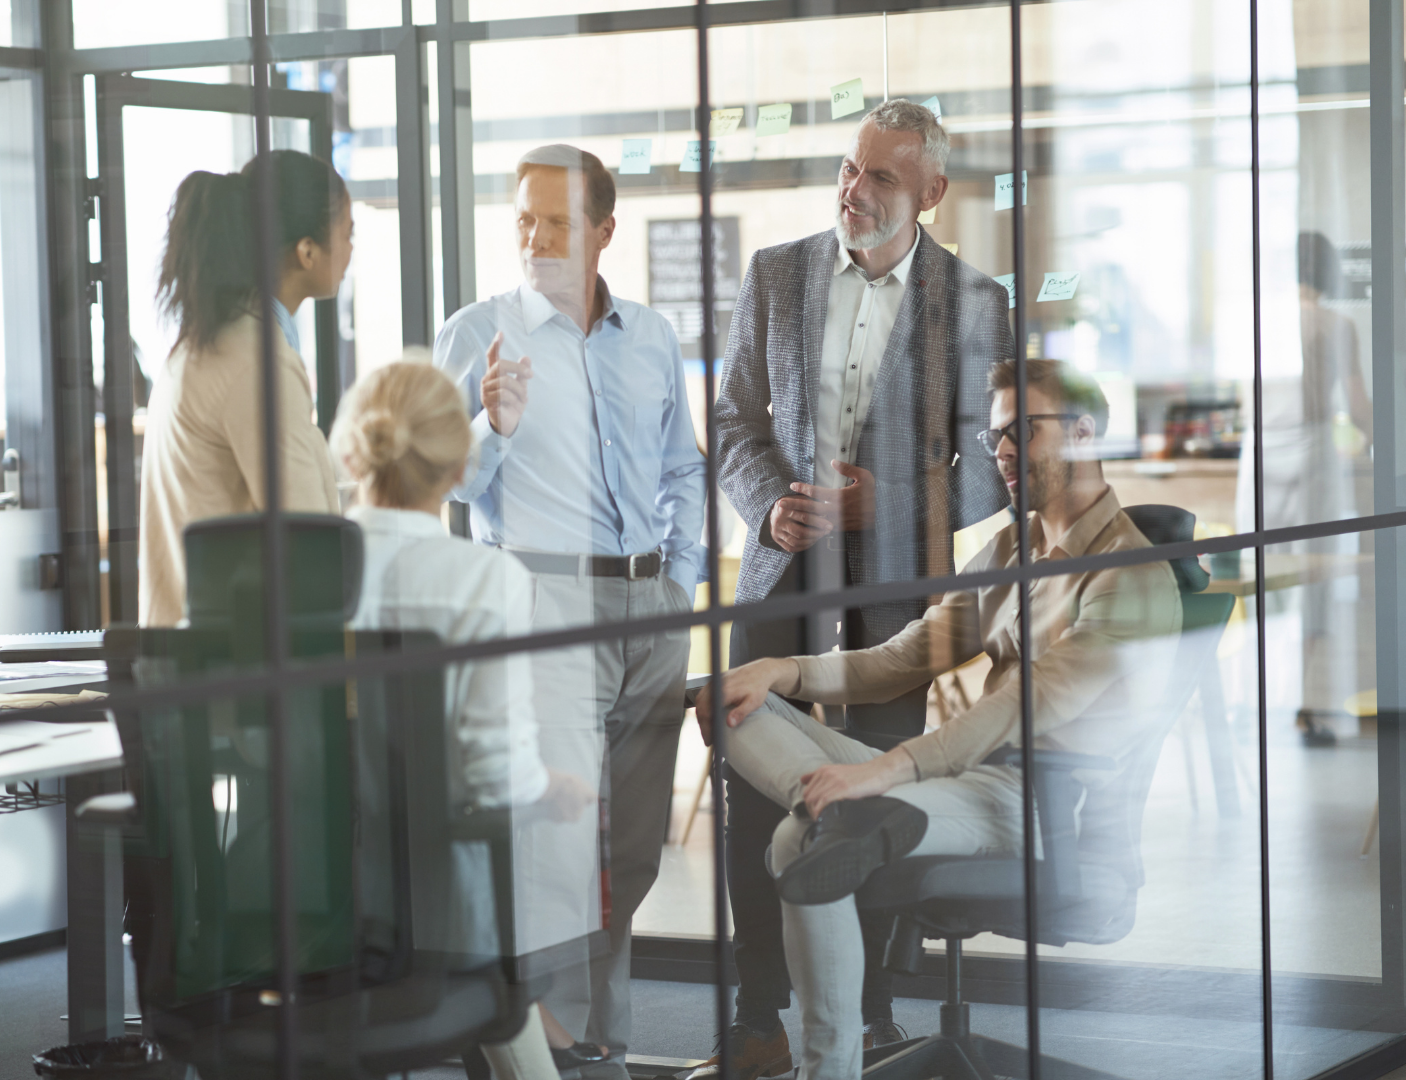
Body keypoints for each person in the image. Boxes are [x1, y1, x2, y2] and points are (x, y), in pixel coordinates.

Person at [701, 359, 1182, 1080]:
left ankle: (825, 1067)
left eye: (1024, 430)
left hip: (1041, 801)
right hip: (962, 776)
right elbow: (903, 656)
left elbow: (1024, 704)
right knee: (739, 704)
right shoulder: (1015, 548)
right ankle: (845, 813)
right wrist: (783, 672)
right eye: (995, 439)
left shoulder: (1128, 573)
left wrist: (885, 770)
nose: (1006, 453)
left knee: (799, 839)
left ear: (1082, 434)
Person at [707, 98, 1011, 1074]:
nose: (856, 190)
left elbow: (992, 463)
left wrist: (892, 505)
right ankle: (759, 1013)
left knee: (868, 805)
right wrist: (766, 506)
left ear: (931, 193)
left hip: (888, 604)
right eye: (850, 168)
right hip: (777, 586)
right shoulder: (776, 273)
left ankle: (872, 1010)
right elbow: (733, 424)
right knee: (751, 807)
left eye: (882, 176)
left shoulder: (974, 303)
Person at [436, 144, 707, 1080]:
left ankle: (597, 1034)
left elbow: (682, 465)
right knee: (555, 841)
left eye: (557, 220)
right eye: (522, 217)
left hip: (648, 604)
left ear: (602, 231)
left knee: (628, 846)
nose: (535, 237)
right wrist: (490, 423)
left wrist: (681, 580)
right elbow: (448, 486)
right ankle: (561, 1051)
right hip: (543, 599)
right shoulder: (474, 334)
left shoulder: (649, 336)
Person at [333, 361, 605, 1080]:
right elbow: (494, 771)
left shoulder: (278, 568)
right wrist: (551, 788)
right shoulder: (484, 581)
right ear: (459, 467)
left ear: (353, 453)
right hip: (436, 918)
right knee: (490, 906)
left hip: (286, 908)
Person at [138, 149, 350, 627]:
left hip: (200, 661)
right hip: (235, 672)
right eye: (347, 234)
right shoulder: (256, 363)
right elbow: (307, 544)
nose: (352, 251)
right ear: (308, 249)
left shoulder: (210, 343)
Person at [1235, 230, 1373, 745]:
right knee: (1313, 575)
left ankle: (1259, 698)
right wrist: (1385, 446)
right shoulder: (1336, 323)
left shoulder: (1255, 318)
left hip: (1259, 451)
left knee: (1257, 570)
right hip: (1312, 451)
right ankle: (1304, 703)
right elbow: (1357, 404)